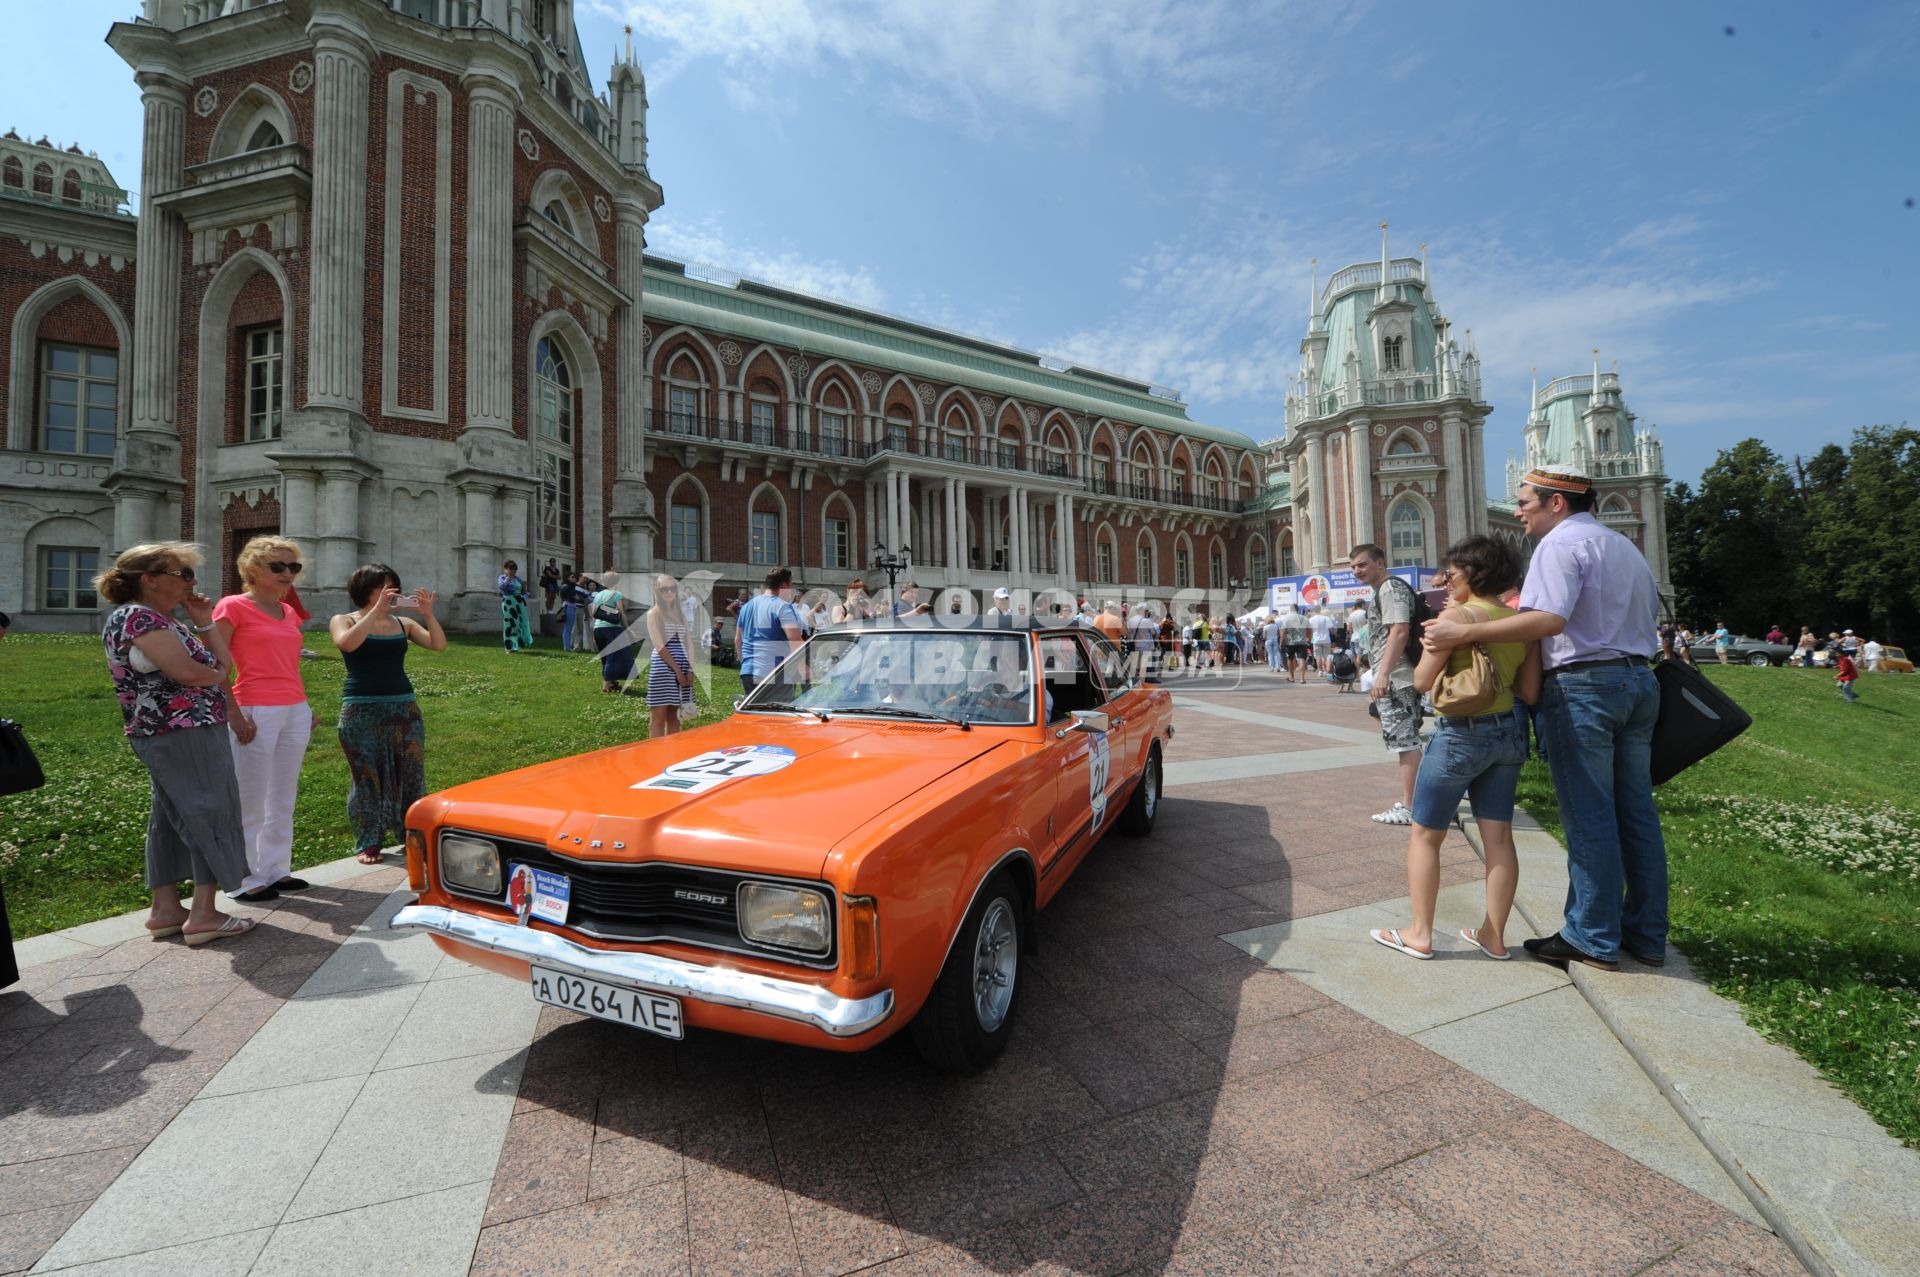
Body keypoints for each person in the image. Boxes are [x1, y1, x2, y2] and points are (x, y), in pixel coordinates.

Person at [1425, 465, 1665, 970]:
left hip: (1585, 690)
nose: (1518, 512)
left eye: (1525, 502)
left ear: (1556, 503)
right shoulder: (1623, 546)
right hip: (1639, 682)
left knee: (1590, 813)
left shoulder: (1558, 546)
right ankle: (1645, 934)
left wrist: (1463, 634)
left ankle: (1593, 936)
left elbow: (1548, 621)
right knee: (1636, 813)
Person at [1371, 537, 1540, 961]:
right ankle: (1494, 935)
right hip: (1508, 734)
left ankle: (1420, 933)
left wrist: (1437, 648)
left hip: (1460, 734)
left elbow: (1423, 681)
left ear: (1472, 574)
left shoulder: (1457, 617)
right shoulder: (1519, 622)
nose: (1446, 582)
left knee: (1426, 835)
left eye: (1451, 573)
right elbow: (1530, 690)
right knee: (1499, 837)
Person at [96, 543, 255, 946]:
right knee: (207, 811)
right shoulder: (139, 617)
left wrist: (204, 622)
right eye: (182, 573)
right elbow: (189, 673)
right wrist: (212, 672)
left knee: (170, 817)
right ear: (149, 579)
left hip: (172, 730)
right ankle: (204, 913)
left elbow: (221, 669)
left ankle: (165, 909)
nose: (192, 580)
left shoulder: (162, 620)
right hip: (182, 729)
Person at [214, 536, 315, 903]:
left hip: (293, 709)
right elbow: (217, 664)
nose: (288, 574)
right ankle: (243, 876)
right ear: (252, 570)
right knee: (249, 796)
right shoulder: (233, 607)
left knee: (282, 795)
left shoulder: (288, 612)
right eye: (278, 567)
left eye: (294, 567)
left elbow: (287, 664)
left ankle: (275, 869)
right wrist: (232, 711)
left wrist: (304, 709)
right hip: (254, 708)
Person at [329, 565, 447, 864]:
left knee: (410, 775)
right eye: (382, 587)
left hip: (403, 708)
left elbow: (438, 645)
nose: (390, 592)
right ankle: (369, 841)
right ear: (364, 589)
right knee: (367, 777)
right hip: (360, 709)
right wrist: (375, 612)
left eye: (393, 586)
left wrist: (428, 614)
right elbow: (348, 643)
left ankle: (411, 836)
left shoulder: (403, 623)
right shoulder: (344, 620)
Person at [1349, 546, 1424, 826]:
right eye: (1354, 567)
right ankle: (1416, 799)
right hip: (1396, 676)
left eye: (1362, 565)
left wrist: (1383, 674)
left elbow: (1400, 630)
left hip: (1398, 678)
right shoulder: (1383, 590)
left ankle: (1411, 806)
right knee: (1405, 741)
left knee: (1405, 743)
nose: (1357, 571)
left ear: (1380, 563)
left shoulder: (1390, 588)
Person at [738, 566, 804, 694]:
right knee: (779, 713)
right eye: (791, 586)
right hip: (775, 671)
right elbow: (794, 638)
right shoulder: (782, 606)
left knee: (754, 713)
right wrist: (803, 666)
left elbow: (738, 639)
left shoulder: (746, 607)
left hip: (748, 671)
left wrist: (744, 662)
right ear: (784, 586)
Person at [645, 574, 696, 736]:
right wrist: (677, 671)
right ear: (657, 591)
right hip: (664, 666)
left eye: (672, 588)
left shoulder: (680, 614)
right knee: (658, 718)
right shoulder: (654, 613)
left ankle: (672, 753)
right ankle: (655, 754)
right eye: (664, 589)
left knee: (676, 717)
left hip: (683, 664)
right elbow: (659, 645)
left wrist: (690, 669)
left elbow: (689, 642)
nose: (668, 592)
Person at [591, 576, 633, 693]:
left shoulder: (598, 595)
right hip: (612, 629)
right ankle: (605, 685)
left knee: (605, 657)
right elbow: (621, 612)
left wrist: (594, 630)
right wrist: (627, 627)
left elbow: (593, 613)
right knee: (613, 657)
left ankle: (612, 683)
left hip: (598, 629)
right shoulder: (616, 594)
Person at [498, 560, 533, 652]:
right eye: (511, 569)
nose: (513, 571)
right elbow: (502, 586)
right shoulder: (502, 577)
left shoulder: (518, 579)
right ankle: (509, 647)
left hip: (519, 602)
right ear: (506, 569)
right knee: (509, 624)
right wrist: (508, 577)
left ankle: (517, 645)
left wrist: (524, 586)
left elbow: (524, 592)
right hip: (508, 603)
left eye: (514, 569)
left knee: (519, 623)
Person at [1281, 606, 1310, 683]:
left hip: (1290, 642)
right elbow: (1309, 629)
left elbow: (1283, 631)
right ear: (1298, 609)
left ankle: (1292, 677)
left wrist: (1281, 642)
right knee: (1302, 659)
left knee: (1290, 659)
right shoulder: (1304, 618)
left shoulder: (1286, 618)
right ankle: (1302, 678)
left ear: (1290, 609)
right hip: (1302, 642)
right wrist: (1309, 638)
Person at [1309, 606, 1334, 674]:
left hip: (1316, 640)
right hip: (1326, 639)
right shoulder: (1326, 618)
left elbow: (1310, 630)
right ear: (1320, 610)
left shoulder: (1311, 619)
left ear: (1314, 611)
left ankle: (1320, 671)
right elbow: (1331, 629)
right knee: (1326, 657)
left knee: (1318, 657)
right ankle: (1326, 670)